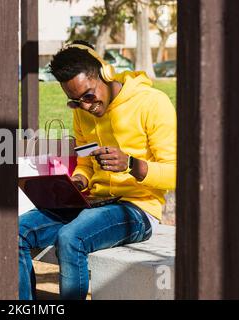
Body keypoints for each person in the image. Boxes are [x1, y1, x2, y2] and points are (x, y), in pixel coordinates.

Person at [18, 40, 176, 300]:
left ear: (105, 73)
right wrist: (78, 182)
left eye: (89, 96)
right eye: (75, 102)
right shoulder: (83, 111)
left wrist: (132, 165)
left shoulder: (152, 103)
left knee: (71, 238)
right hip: (92, 203)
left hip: (138, 208)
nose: (86, 106)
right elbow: (84, 163)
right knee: (17, 230)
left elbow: (175, 172)